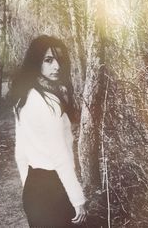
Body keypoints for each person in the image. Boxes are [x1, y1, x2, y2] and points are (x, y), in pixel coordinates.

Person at [9, 35, 87, 227]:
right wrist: (77, 199)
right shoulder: (49, 103)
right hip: (54, 190)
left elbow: (21, 152)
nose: (57, 66)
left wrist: (29, 185)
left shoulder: (24, 97)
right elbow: (60, 155)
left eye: (59, 60)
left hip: (34, 189)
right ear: (36, 61)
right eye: (48, 60)